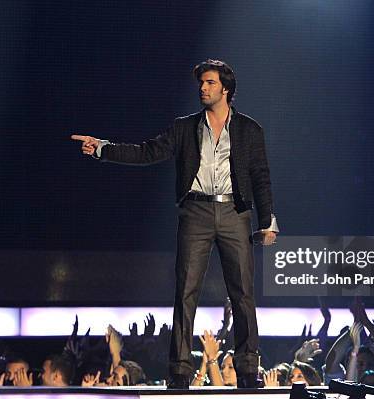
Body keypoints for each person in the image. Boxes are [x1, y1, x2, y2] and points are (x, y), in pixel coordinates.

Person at [71, 59, 278, 388]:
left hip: (234, 212)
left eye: (209, 83)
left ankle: (248, 370)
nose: (203, 88)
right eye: (201, 83)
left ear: (225, 88)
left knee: (242, 294)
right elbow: (147, 151)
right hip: (195, 212)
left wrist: (268, 220)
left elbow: (260, 177)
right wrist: (102, 149)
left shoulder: (249, 129)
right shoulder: (185, 127)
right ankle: (180, 371)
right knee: (185, 292)